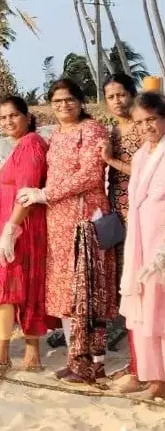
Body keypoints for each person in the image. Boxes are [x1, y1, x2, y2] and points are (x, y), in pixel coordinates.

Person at [18, 79, 116, 384]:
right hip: (58, 219)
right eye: (57, 101)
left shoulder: (92, 129)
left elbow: (90, 174)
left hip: (85, 216)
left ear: (81, 101)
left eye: (69, 99)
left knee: (88, 289)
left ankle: (92, 362)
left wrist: (44, 194)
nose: (63, 105)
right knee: (65, 291)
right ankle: (76, 359)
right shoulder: (56, 134)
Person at [0, 96, 49, 384]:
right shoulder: (19, 146)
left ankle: (3, 354)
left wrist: (11, 228)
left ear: (27, 116)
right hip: (12, 226)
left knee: (6, 286)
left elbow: (27, 190)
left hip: (21, 226)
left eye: (14, 115)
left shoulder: (32, 143)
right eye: (3, 117)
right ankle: (31, 354)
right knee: (23, 284)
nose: (8, 121)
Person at [119, 92, 165, 400]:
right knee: (145, 308)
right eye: (140, 121)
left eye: (152, 119)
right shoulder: (139, 157)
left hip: (162, 242)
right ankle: (155, 379)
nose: (147, 126)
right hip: (140, 243)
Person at [99, 73, 144, 392]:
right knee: (124, 287)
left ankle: (144, 365)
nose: (116, 101)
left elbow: (145, 171)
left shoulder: (145, 128)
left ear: (132, 94)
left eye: (121, 94)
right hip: (118, 214)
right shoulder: (111, 130)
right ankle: (137, 361)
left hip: (144, 212)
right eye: (110, 96)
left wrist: (110, 160)